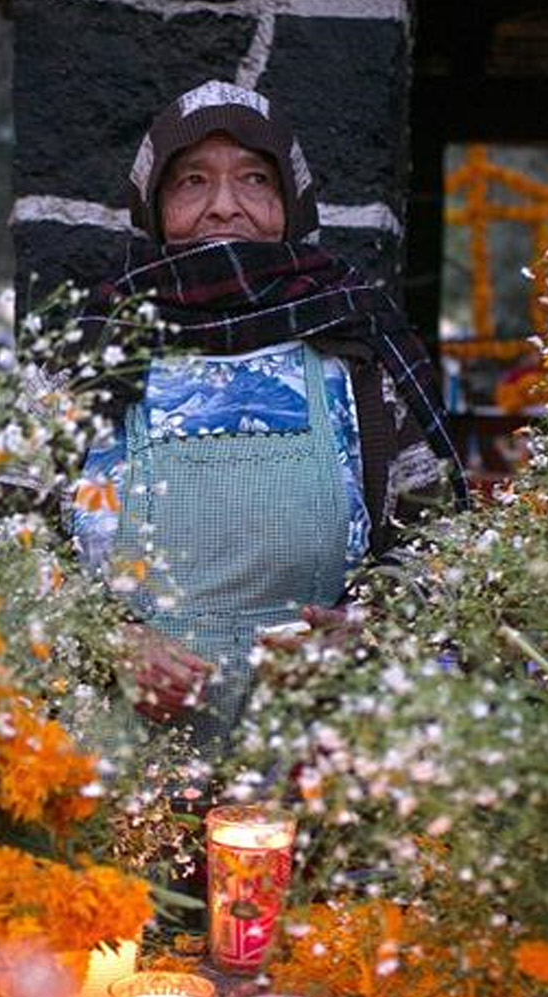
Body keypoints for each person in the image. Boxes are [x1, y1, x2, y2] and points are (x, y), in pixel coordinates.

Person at [69, 80, 467, 752]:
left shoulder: (357, 346)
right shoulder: (87, 351)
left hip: (321, 758)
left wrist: (370, 624)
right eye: (192, 181)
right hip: (117, 767)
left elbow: (442, 545)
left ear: (291, 202)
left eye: (255, 179)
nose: (224, 207)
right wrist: (106, 637)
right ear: (154, 204)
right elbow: (2, 550)